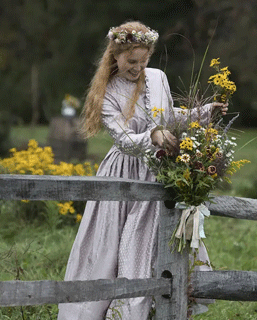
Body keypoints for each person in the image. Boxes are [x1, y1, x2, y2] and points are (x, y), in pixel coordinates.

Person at [57, 21, 227, 320]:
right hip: (125, 172)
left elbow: (168, 114)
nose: (137, 67)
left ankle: (156, 308)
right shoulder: (106, 92)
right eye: (130, 61)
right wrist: (151, 136)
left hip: (158, 169)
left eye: (143, 60)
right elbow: (123, 139)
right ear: (115, 56)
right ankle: (111, 310)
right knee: (113, 245)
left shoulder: (157, 78)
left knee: (153, 240)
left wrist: (203, 113)